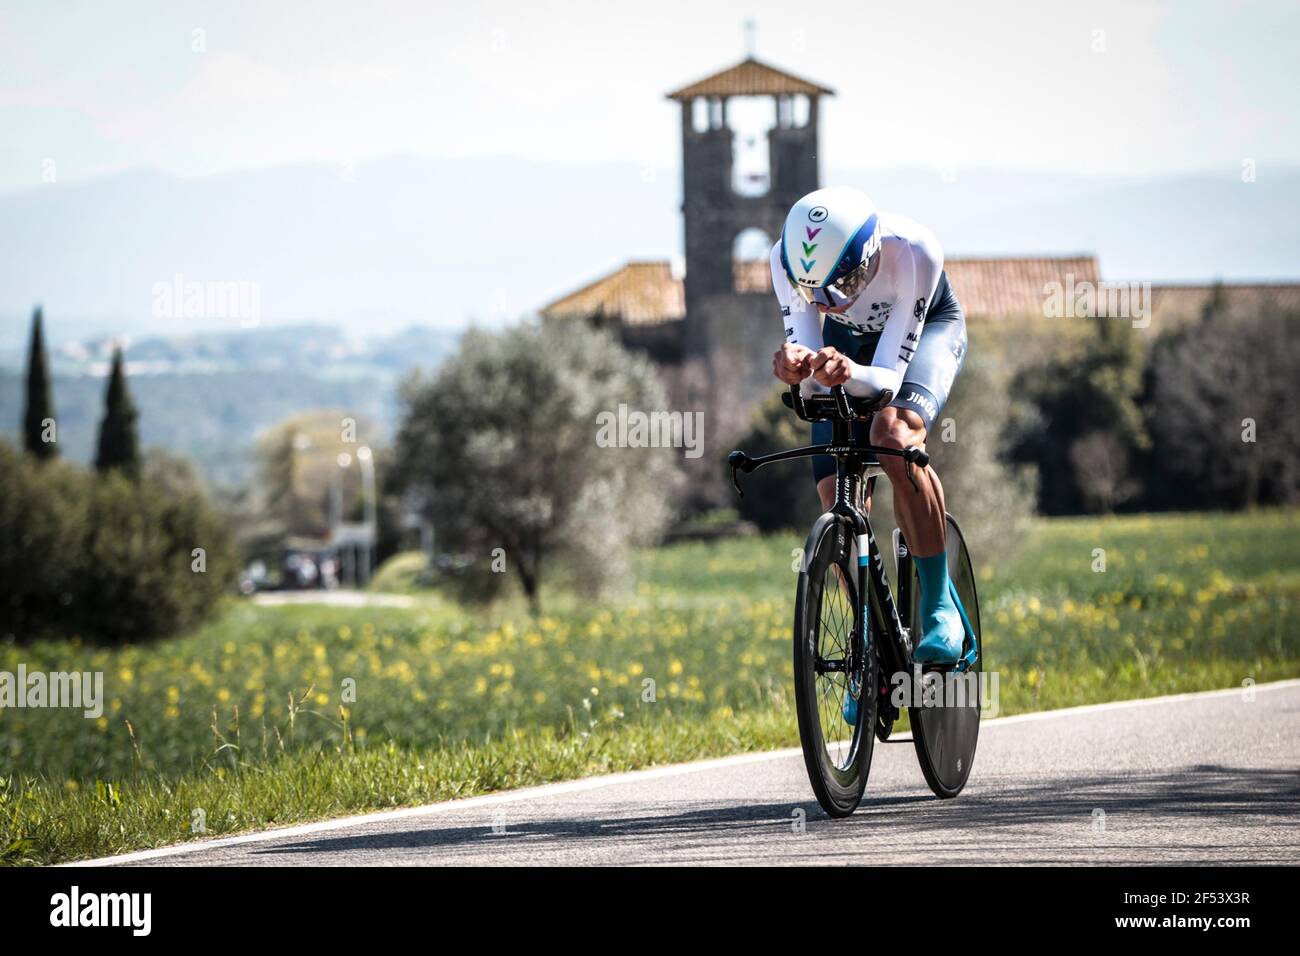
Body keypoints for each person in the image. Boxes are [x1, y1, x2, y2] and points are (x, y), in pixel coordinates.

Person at [769, 186, 970, 685]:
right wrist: (797, 366)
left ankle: (939, 603)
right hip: (848, 350)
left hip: (921, 338)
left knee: (893, 433)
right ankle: (868, 637)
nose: (827, 303)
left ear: (869, 256)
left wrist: (842, 368)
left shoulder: (914, 252)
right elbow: (812, 363)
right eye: (814, 294)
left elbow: (886, 380)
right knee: (830, 479)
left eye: (840, 287)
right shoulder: (787, 261)